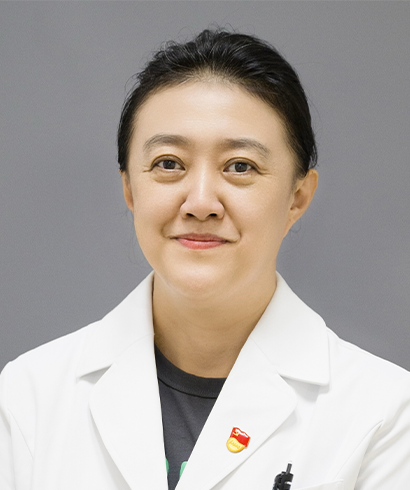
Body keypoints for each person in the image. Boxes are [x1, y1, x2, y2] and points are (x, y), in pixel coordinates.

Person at [1, 28, 409, 490]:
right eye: (169, 163)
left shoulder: (384, 415)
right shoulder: (30, 396)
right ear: (130, 188)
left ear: (297, 197)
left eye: (240, 167)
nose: (200, 203)